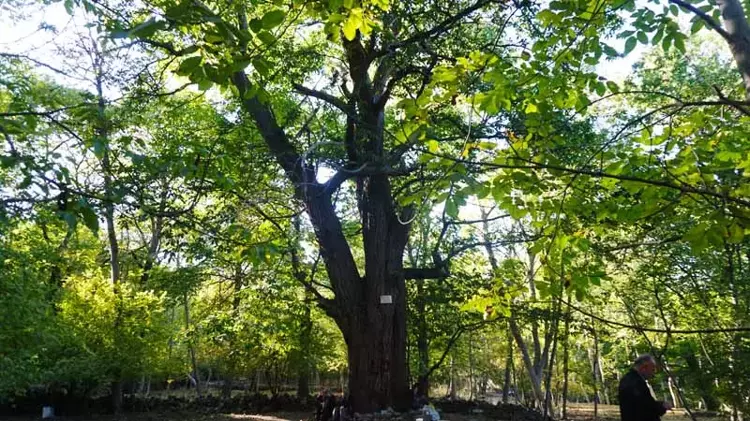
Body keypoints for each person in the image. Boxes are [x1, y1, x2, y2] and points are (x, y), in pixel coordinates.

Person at [618, 354, 673, 421]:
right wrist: (662, 406)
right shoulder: (636, 383)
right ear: (644, 368)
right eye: (652, 369)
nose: (653, 373)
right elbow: (646, 408)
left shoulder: (627, 379)